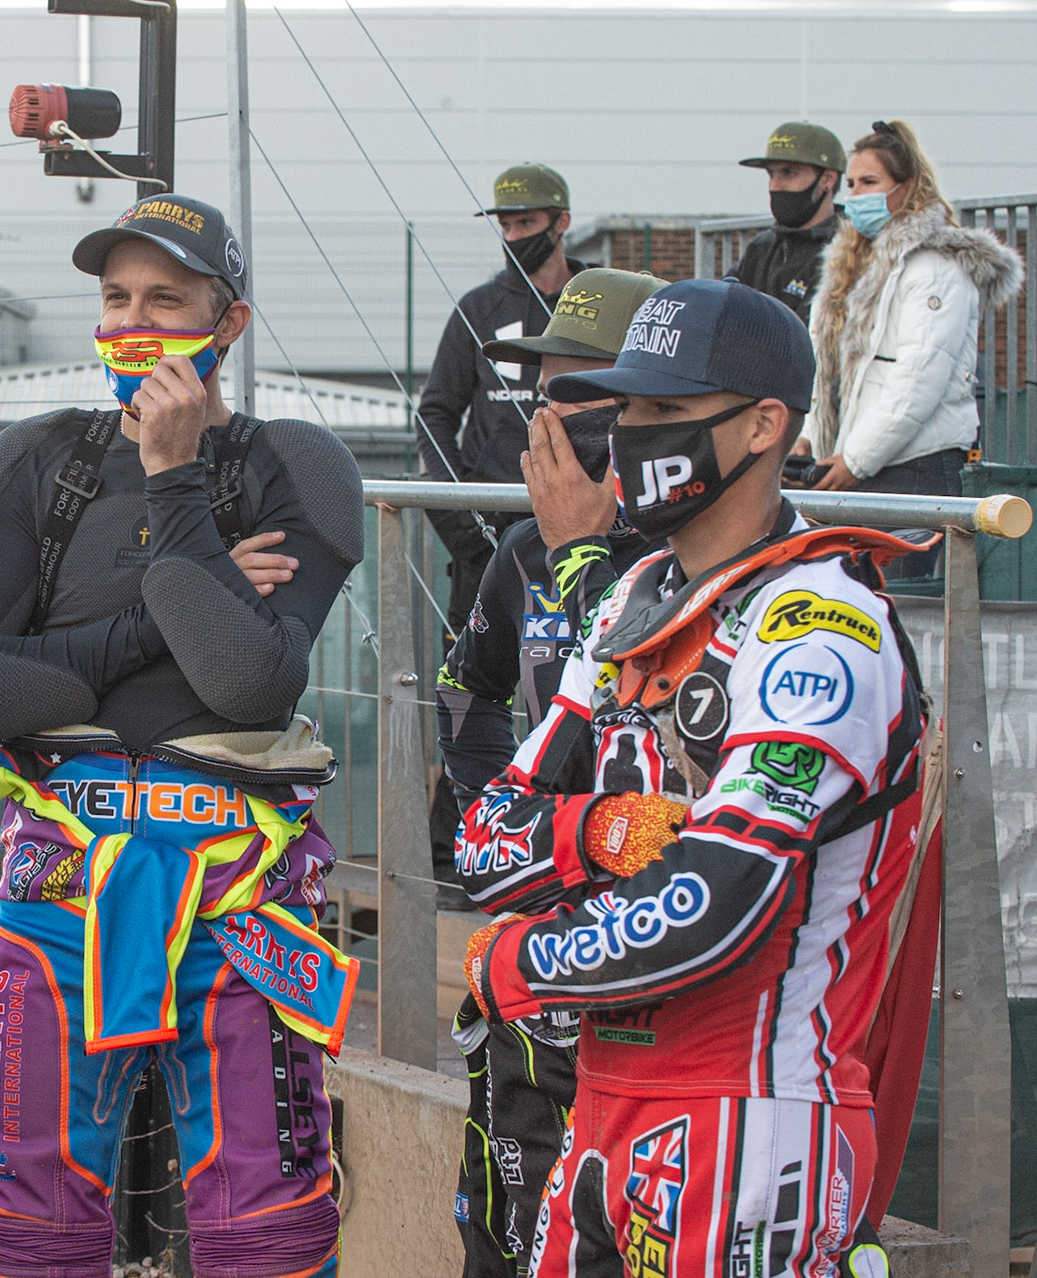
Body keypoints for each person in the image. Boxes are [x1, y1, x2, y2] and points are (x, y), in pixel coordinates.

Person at [0, 193, 364, 1278]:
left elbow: (249, 681)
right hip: (63, 877)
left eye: (168, 300)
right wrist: (162, 612)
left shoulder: (294, 465)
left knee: (263, 1211)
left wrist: (173, 483)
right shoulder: (40, 461)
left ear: (229, 323)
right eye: (116, 298)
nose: (136, 322)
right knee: (31, 1204)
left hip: (244, 881)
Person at [455, 278, 931, 1278]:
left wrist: (519, 962)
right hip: (602, 1099)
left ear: (764, 425)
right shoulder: (637, 593)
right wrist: (591, 834)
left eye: (665, 410)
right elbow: (485, 839)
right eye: (626, 407)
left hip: (750, 1112)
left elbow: (720, 901)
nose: (631, 434)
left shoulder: (821, 622)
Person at [431, 267, 666, 1278]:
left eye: (591, 393)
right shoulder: (524, 550)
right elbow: (468, 693)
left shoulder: (696, 556)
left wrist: (586, 550)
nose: (557, 418)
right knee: (505, 1222)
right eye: (546, 389)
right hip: (538, 954)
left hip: (665, 964)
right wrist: (513, 823)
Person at [807, 120, 1022, 524]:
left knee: (906, 588)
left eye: (869, 181)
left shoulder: (936, 266)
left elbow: (919, 379)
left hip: (915, 469)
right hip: (867, 467)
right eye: (850, 184)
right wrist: (808, 439)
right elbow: (828, 369)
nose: (855, 195)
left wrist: (856, 459)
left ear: (905, 187)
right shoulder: (855, 265)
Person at [417, 163, 590, 636]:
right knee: (472, 678)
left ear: (562, 222)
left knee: (568, 671)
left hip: (579, 516)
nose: (514, 236)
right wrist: (463, 505)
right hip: (490, 522)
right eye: (506, 225)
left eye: (527, 223)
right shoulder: (478, 308)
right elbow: (435, 412)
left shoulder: (596, 303)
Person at [732, 122, 847, 324]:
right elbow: (726, 306)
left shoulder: (846, 249)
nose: (775, 185)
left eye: (789, 173)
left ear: (828, 179)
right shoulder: (762, 246)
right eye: (771, 174)